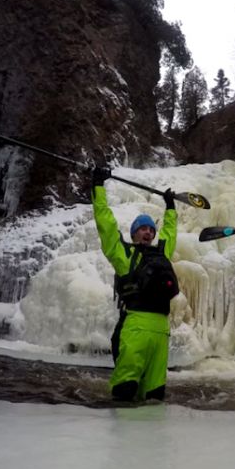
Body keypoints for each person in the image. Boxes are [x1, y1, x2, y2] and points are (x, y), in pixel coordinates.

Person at [91, 166, 179, 401]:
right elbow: (106, 225)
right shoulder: (123, 254)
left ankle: (149, 437)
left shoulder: (162, 254)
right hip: (136, 324)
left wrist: (170, 207)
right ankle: (122, 434)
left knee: (155, 393)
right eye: (142, 229)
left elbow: (170, 233)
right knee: (126, 386)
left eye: (151, 229)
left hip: (161, 330)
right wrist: (98, 187)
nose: (148, 233)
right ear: (133, 234)